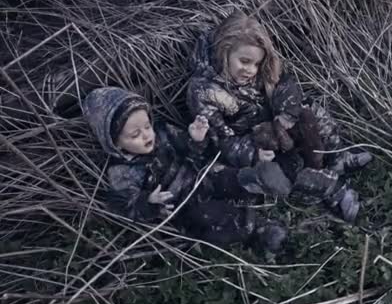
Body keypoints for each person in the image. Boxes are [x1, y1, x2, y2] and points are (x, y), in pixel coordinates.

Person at [187, 10, 372, 222]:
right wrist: (255, 153)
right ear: (224, 51)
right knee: (280, 171)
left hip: (276, 126)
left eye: (256, 64)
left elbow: (285, 84)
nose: (251, 70)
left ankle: (337, 156)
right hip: (251, 143)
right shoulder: (203, 91)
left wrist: (286, 113)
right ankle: (330, 188)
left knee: (309, 112)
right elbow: (221, 141)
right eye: (244, 61)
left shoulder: (261, 70)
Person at [83, 86, 291, 251]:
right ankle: (257, 229)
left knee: (225, 177)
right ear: (115, 142)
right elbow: (124, 205)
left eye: (147, 127)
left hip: (201, 175)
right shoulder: (121, 171)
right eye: (135, 135)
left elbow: (194, 154)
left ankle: (253, 179)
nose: (147, 135)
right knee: (211, 215)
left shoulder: (164, 133)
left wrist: (196, 139)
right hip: (183, 203)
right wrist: (148, 201)